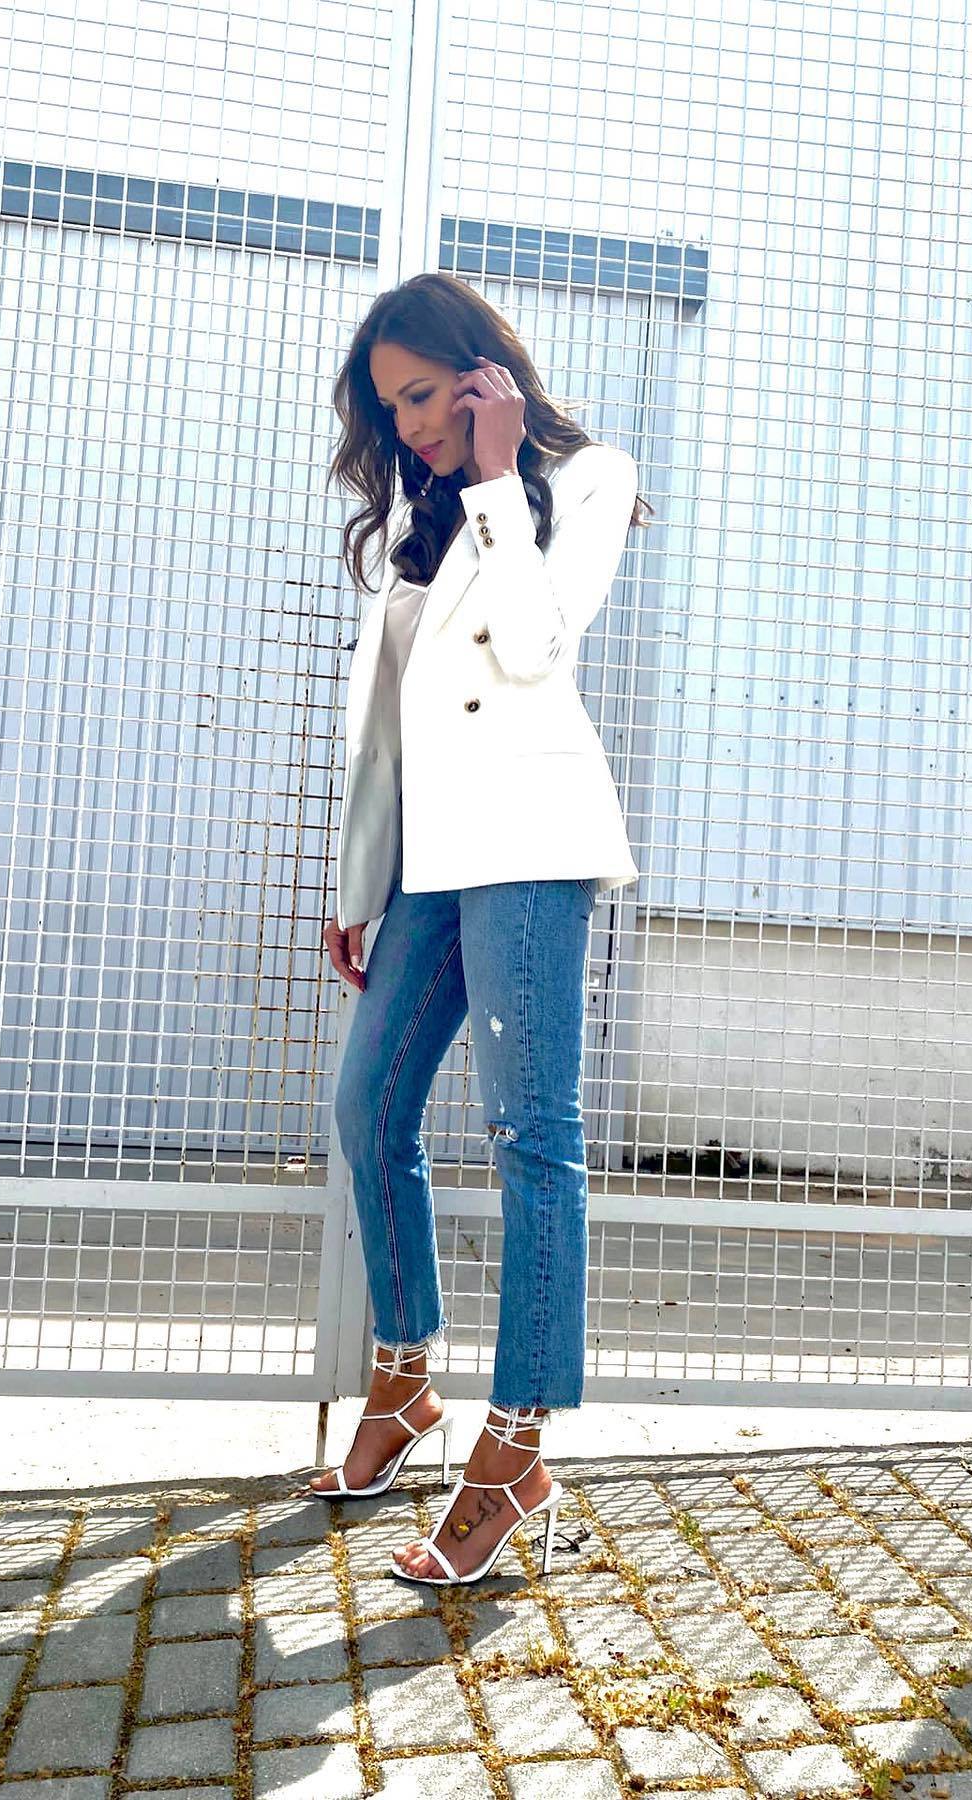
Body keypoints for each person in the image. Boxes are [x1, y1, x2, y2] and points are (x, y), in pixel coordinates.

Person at [301, 271, 651, 1586]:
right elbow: (387, 732)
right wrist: (360, 884)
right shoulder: (425, 522)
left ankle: (515, 1450)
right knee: (368, 1107)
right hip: (433, 867)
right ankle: (405, 1381)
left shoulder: (586, 478)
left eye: (420, 395)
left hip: (531, 850)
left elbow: (538, 649)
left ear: (479, 370)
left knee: (529, 1136)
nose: (408, 427)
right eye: (388, 409)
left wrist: (501, 475)